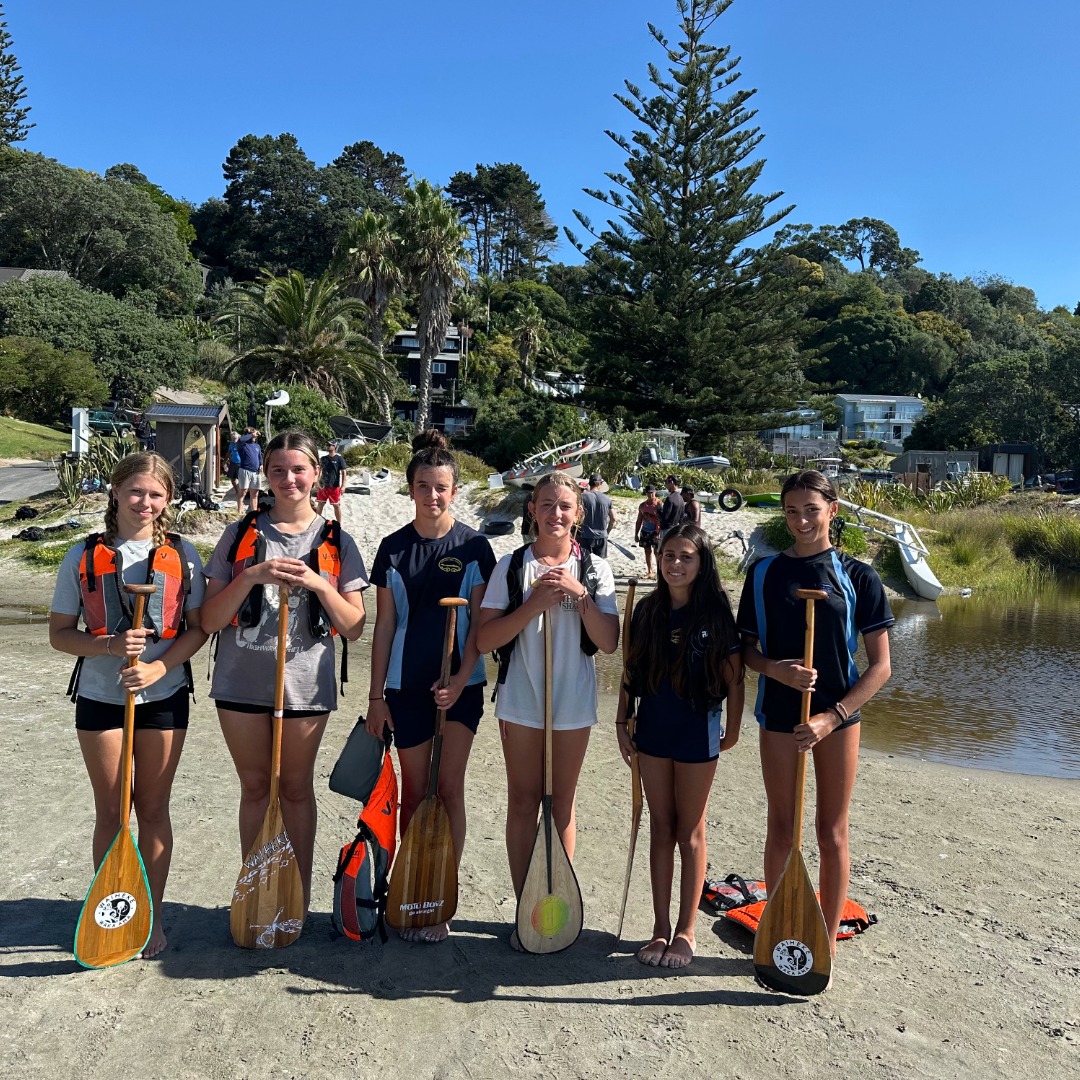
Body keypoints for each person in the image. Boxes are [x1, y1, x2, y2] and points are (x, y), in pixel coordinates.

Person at [48, 451, 208, 959]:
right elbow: (59, 635)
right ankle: (113, 909)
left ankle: (153, 914)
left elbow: (199, 628)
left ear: (168, 500)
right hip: (99, 696)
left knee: (152, 810)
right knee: (113, 811)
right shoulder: (82, 554)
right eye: (136, 491)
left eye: (156, 494)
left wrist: (159, 668)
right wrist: (109, 647)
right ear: (116, 492)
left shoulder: (184, 554)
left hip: (163, 698)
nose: (145, 502)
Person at [201, 430, 368, 913]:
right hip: (241, 681)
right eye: (278, 470)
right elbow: (210, 620)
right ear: (265, 475)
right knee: (255, 787)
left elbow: (355, 626)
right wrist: (252, 575)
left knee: (294, 789)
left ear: (317, 474)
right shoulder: (239, 534)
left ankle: (296, 895)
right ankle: (257, 893)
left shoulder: (336, 539)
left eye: (299, 469)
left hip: (305, 685)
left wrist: (318, 582)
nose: (289, 479)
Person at [737, 469, 893, 960]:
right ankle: (780, 921)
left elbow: (881, 667)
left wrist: (833, 716)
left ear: (833, 510)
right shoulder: (763, 574)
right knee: (782, 826)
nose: (801, 520)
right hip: (779, 713)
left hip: (838, 717)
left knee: (831, 831)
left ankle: (823, 937)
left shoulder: (859, 576)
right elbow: (745, 652)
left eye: (811, 509)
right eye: (791, 511)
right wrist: (775, 671)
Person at [476, 471, 620, 949]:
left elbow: (608, 643)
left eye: (564, 506)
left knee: (560, 804)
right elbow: (485, 639)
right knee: (523, 801)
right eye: (546, 505)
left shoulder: (596, 569)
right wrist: (534, 603)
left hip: (573, 703)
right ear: (532, 510)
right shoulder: (512, 566)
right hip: (521, 699)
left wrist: (580, 599)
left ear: (578, 513)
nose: (555, 514)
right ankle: (526, 905)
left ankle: (554, 905)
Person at [366, 430, 496, 943]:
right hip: (405, 686)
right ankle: (410, 886)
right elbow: (384, 626)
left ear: (455, 490)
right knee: (416, 793)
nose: (433, 495)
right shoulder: (393, 549)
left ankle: (439, 895)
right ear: (411, 489)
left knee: (448, 790)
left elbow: (482, 628)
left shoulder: (474, 548)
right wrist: (376, 696)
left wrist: (460, 681)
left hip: (461, 687)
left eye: (442, 487)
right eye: (424, 486)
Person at [617, 524, 743, 968]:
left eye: (685, 556)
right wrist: (620, 719)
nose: (674, 564)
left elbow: (734, 676)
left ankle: (686, 932)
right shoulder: (648, 611)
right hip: (652, 731)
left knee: (690, 831)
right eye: (668, 555)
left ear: (701, 562)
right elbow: (630, 671)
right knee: (660, 828)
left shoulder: (714, 615)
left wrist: (734, 726)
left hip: (698, 731)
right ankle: (658, 928)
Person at [578, 473, 617, 558]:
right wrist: (607, 532)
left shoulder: (582, 497)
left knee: (585, 563)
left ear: (589, 483)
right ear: (600, 484)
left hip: (585, 536)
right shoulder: (607, 499)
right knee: (600, 564)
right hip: (601, 536)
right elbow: (613, 518)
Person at [315, 441, 348, 524]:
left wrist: (343, 486)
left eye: (330, 445)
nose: (328, 446)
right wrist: (317, 482)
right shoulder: (323, 459)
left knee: (336, 505)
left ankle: (339, 523)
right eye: (328, 445)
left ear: (335, 446)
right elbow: (319, 471)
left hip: (334, 486)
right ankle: (315, 522)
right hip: (323, 486)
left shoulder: (339, 459)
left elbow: (344, 472)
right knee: (320, 505)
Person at [634, 485, 663, 579]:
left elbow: (662, 519)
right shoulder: (642, 506)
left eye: (652, 493)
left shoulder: (659, 504)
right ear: (646, 493)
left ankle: (660, 572)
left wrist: (659, 533)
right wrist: (636, 533)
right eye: (649, 493)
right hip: (645, 531)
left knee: (657, 552)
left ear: (655, 492)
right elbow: (639, 520)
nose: (651, 495)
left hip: (655, 531)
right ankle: (650, 571)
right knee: (647, 551)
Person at [236, 427, 263, 515]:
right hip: (245, 470)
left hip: (256, 472)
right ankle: (239, 511)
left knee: (255, 494)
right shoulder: (243, 444)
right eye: (253, 435)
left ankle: (254, 513)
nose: (255, 437)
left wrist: (261, 464)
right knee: (243, 491)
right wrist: (251, 434)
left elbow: (260, 457)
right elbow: (241, 439)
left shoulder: (257, 446)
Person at [225, 432, 243, 514]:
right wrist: (225, 460)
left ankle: (241, 494)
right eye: (232, 438)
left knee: (241, 479)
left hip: (240, 463)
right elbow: (229, 452)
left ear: (238, 437)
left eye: (234, 438)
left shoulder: (241, 443)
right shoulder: (231, 444)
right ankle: (236, 490)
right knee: (232, 479)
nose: (233, 439)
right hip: (233, 462)